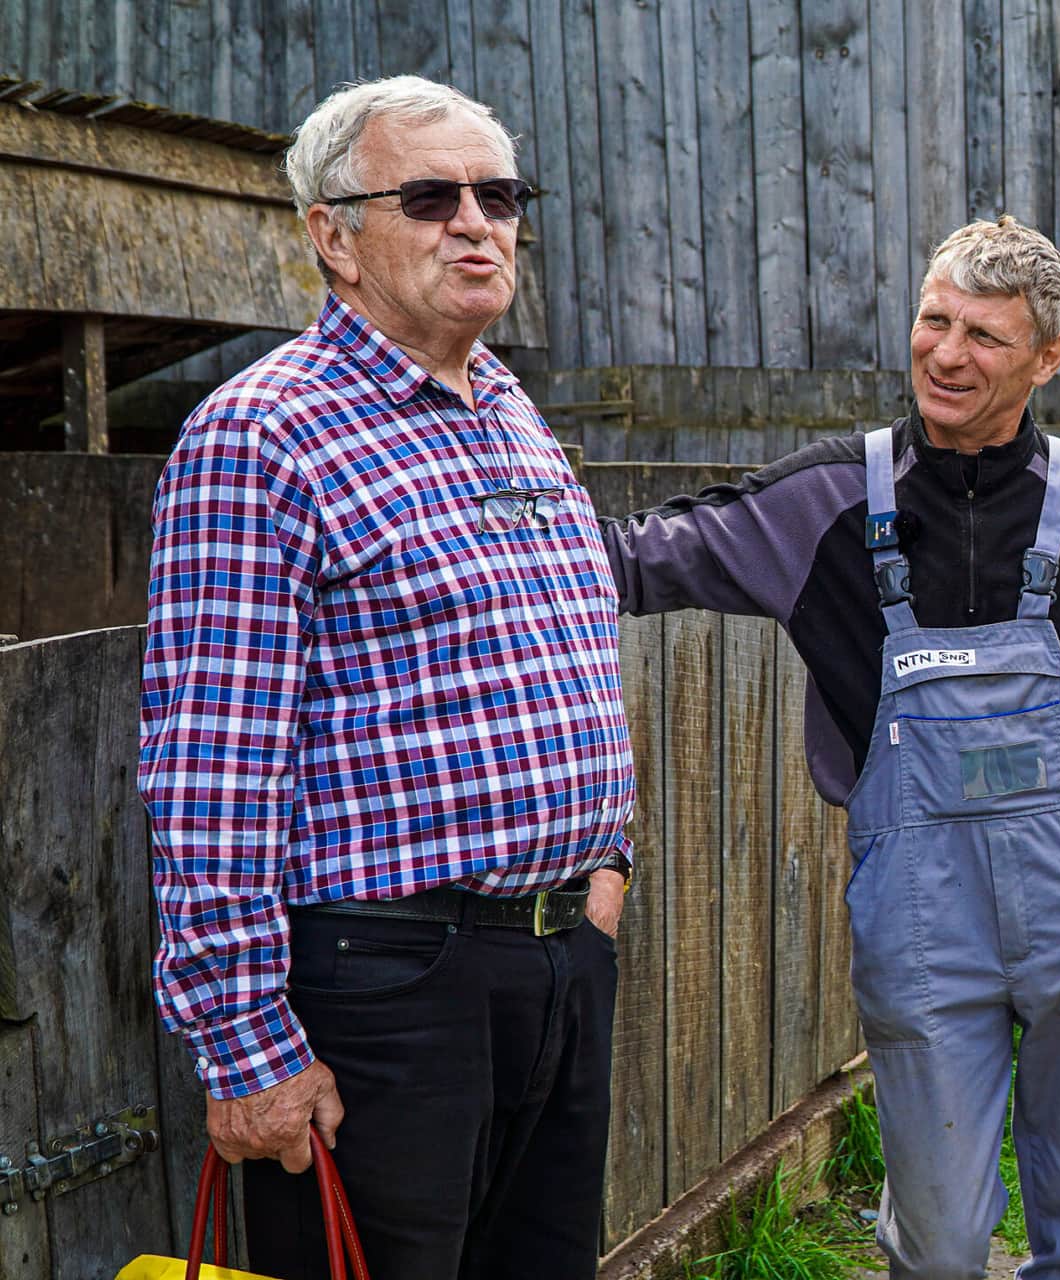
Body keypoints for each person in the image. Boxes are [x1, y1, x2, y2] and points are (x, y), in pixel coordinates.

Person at [598, 215, 1060, 1279]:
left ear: (1047, 358)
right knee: (941, 1239)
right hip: (921, 916)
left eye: (984, 337)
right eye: (932, 319)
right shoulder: (821, 501)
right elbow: (625, 562)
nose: (945, 354)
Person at [140, 76, 634, 1278]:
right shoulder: (261, 433)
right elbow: (213, 767)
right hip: (385, 984)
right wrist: (248, 1044)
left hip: (556, 959)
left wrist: (603, 868)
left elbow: (564, 660)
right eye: (430, 195)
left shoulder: (508, 407)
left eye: (498, 193)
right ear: (333, 236)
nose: (477, 220)